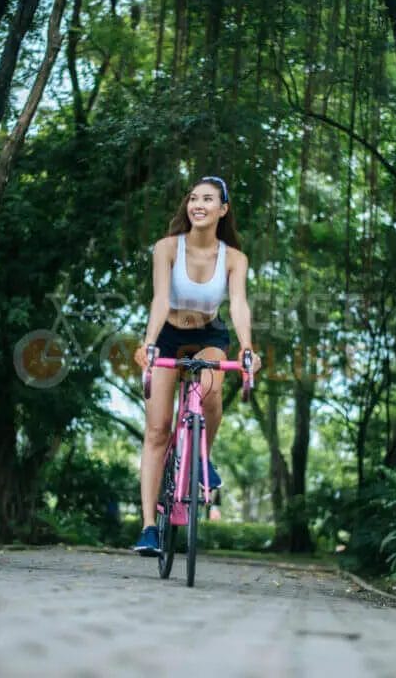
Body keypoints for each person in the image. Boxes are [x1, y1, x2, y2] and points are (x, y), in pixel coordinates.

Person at [131, 176, 260, 555]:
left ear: (223, 209)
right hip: (169, 332)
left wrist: (248, 346)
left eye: (208, 199)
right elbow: (158, 299)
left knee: (211, 391)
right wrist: (150, 343)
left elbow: (237, 304)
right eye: (193, 198)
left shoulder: (235, 258)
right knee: (157, 431)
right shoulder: (167, 248)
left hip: (209, 335)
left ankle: (201, 461)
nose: (197, 205)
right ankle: (149, 527)